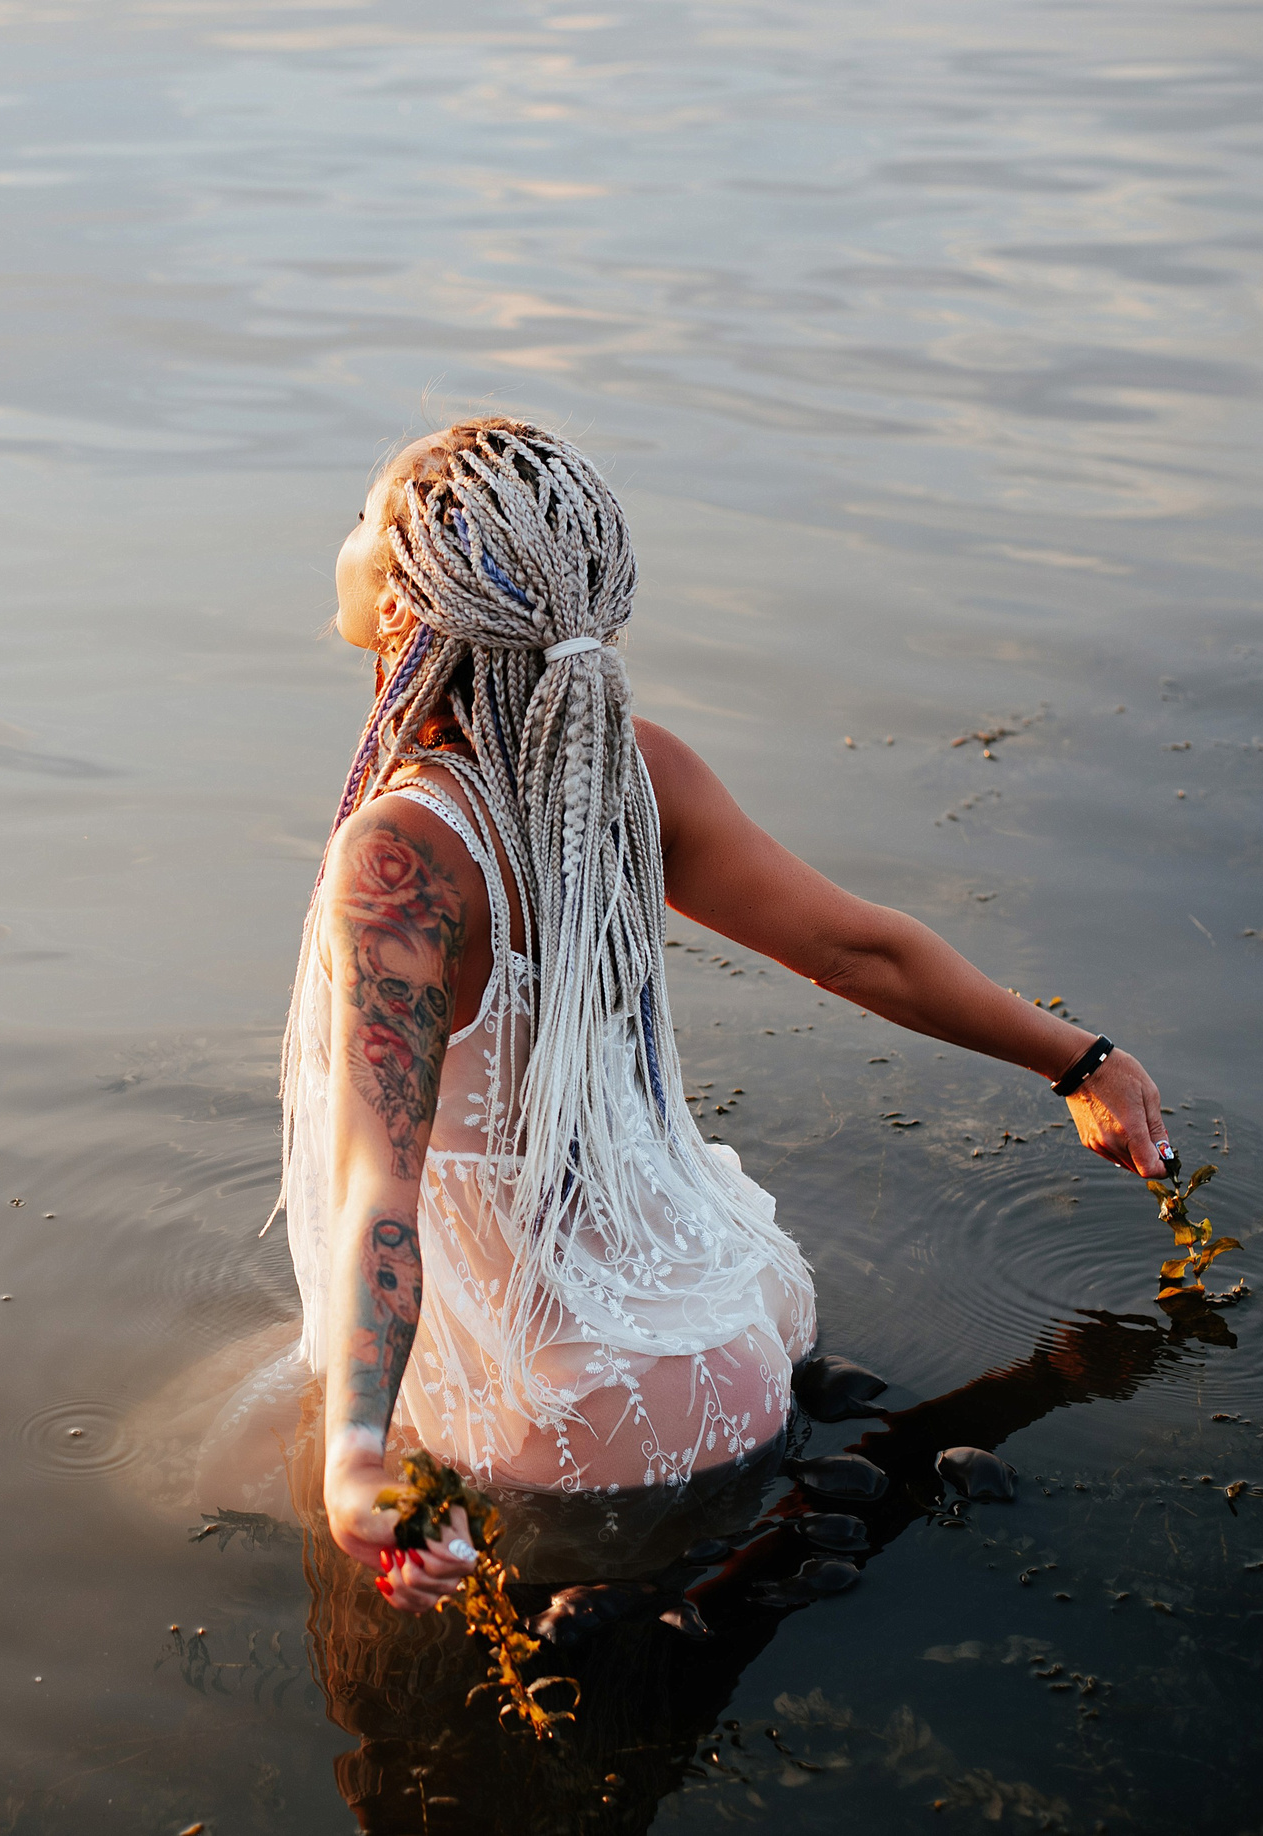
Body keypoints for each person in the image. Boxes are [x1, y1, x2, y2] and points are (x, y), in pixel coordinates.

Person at [279, 416, 1171, 1614]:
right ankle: (753, 1569)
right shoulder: (640, 772)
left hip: (551, 1415)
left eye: (361, 519)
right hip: (736, 1320)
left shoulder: (401, 856)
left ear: (402, 604)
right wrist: (1084, 1062)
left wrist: (354, 1462)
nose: (343, 538)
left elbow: (377, 1191)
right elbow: (861, 952)